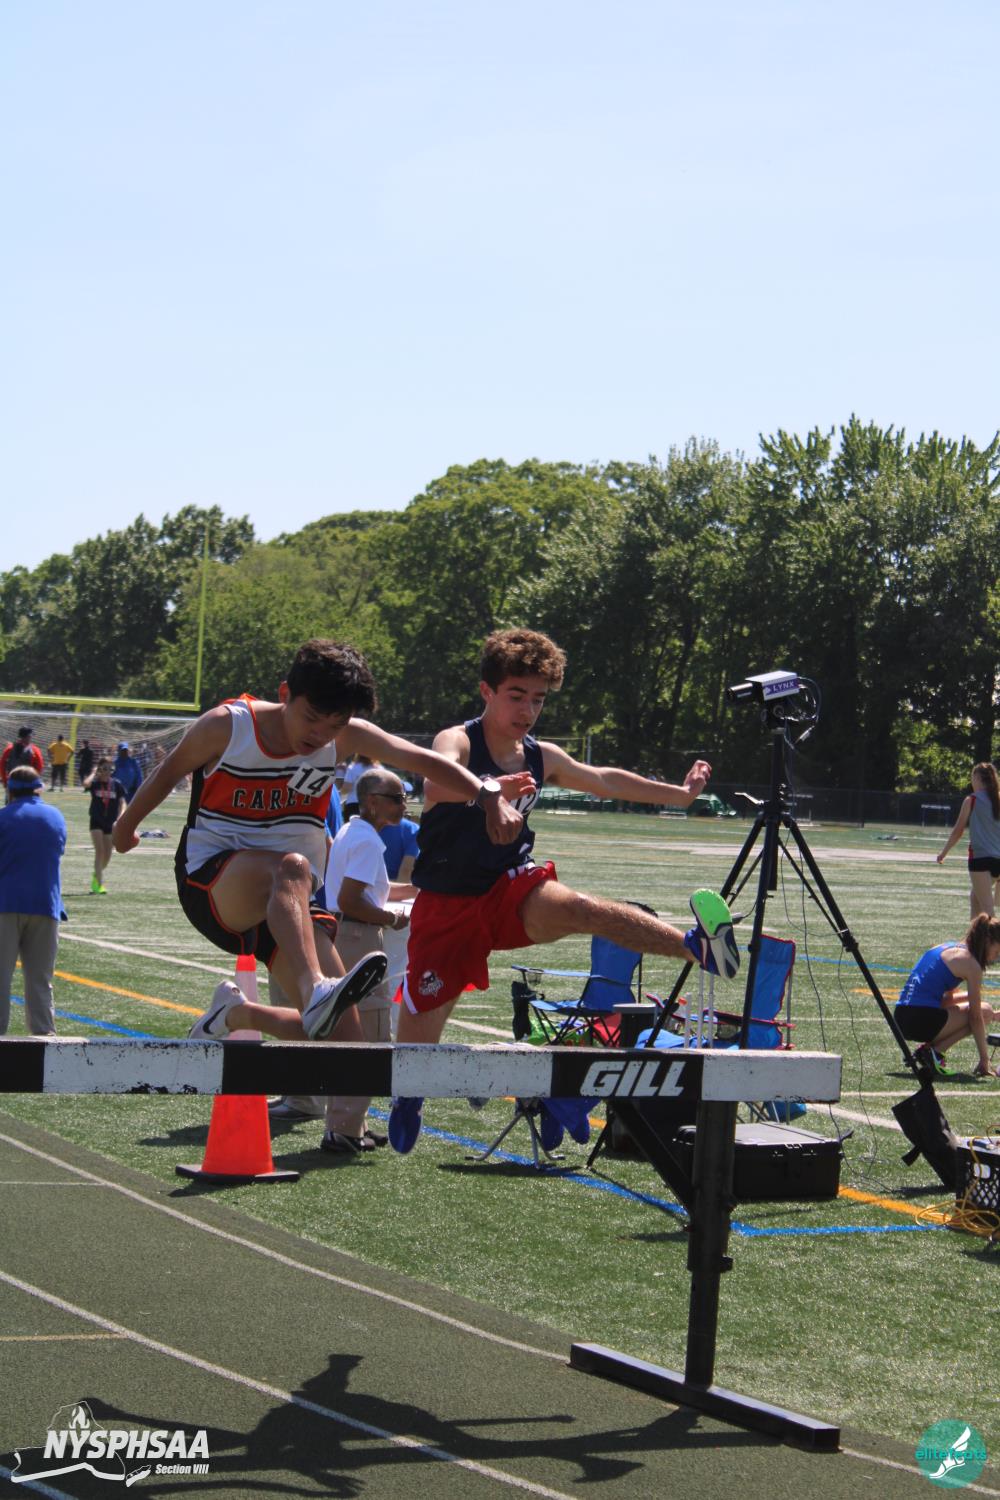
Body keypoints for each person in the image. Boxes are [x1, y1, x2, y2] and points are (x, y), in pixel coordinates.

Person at [387, 626, 739, 1154]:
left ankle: (694, 946)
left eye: (538, 699)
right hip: (447, 904)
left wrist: (679, 795)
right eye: (516, 696)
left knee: (580, 907)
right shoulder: (457, 739)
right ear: (486, 691)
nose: (528, 710)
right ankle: (408, 1096)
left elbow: (604, 779)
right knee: (421, 1036)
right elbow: (436, 782)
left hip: (509, 888)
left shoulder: (539, 755)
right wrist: (489, 791)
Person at [112, 639, 524, 1047]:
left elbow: (421, 760)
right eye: (312, 718)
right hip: (213, 884)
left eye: (335, 725)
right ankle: (316, 988)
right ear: (285, 694)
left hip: (289, 904)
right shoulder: (227, 726)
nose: (320, 734)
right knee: (292, 867)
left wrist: (488, 796)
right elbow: (168, 772)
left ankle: (235, 1014)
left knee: (345, 1044)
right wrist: (126, 826)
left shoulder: (345, 737)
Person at [271, 768, 418, 1151]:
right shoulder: (367, 841)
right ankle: (344, 1129)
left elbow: (366, 889)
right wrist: (392, 918)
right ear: (373, 802)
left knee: (350, 1030)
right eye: (397, 798)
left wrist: (412, 891)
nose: (404, 805)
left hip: (345, 933)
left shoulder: (353, 832)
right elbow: (352, 900)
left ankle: (352, 1123)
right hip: (359, 936)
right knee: (367, 1035)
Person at [0, 765, 67, 1035]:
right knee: (41, 982)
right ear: (38, 788)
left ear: (10, 790)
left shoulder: (3, 818)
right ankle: (44, 1039)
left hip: (5, 904)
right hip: (46, 905)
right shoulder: (55, 817)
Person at [894, 913, 1000, 1079]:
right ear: (987, 941)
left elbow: (946, 1001)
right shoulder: (971, 964)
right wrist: (984, 1060)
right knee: (984, 1011)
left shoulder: (946, 948)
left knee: (984, 1010)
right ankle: (935, 1052)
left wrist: (977, 999)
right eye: (997, 951)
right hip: (920, 1019)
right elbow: (975, 1017)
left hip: (901, 1018)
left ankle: (928, 1052)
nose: (996, 957)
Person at [937, 763, 1000, 918]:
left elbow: (958, 831)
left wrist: (943, 853)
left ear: (977, 778)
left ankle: (993, 934)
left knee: (988, 911)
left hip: (980, 859)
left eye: (972, 777)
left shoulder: (971, 800)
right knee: (975, 898)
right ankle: (974, 933)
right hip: (998, 860)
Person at [83, 756, 127, 894]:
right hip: (96, 821)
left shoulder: (116, 784)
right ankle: (98, 885)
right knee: (100, 851)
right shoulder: (95, 783)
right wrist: (94, 772)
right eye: (105, 768)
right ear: (100, 769)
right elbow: (85, 784)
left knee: (107, 855)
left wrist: (121, 816)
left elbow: (122, 802)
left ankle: (97, 874)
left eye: (110, 768)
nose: (108, 771)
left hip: (110, 822)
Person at [0, 727, 44, 792]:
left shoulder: (9, 748)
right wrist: (34, 781)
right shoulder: (34, 750)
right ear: (28, 736)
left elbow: (2, 765)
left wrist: (5, 781)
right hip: (28, 784)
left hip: (12, 783)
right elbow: (39, 767)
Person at [379, 813, 420, 881]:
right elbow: (406, 872)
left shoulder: (361, 827)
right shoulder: (412, 829)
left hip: (365, 883)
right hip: (393, 884)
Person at [338, 754, 377, 819]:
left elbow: (346, 789)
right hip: (371, 805)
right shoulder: (377, 769)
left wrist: (338, 793)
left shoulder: (353, 768)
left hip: (353, 804)